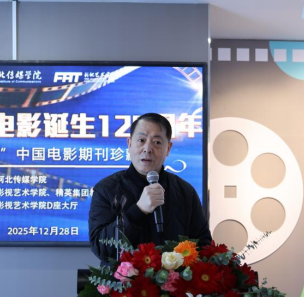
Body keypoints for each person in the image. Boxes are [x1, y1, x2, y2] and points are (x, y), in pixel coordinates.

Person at [89, 113, 212, 264]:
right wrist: (138, 210)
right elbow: (100, 247)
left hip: (174, 278)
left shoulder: (186, 192)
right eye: (141, 140)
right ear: (129, 144)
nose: (147, 149)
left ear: (168, 148)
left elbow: (203, 246)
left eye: (157, 142)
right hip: (124, 279)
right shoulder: (106, 189)